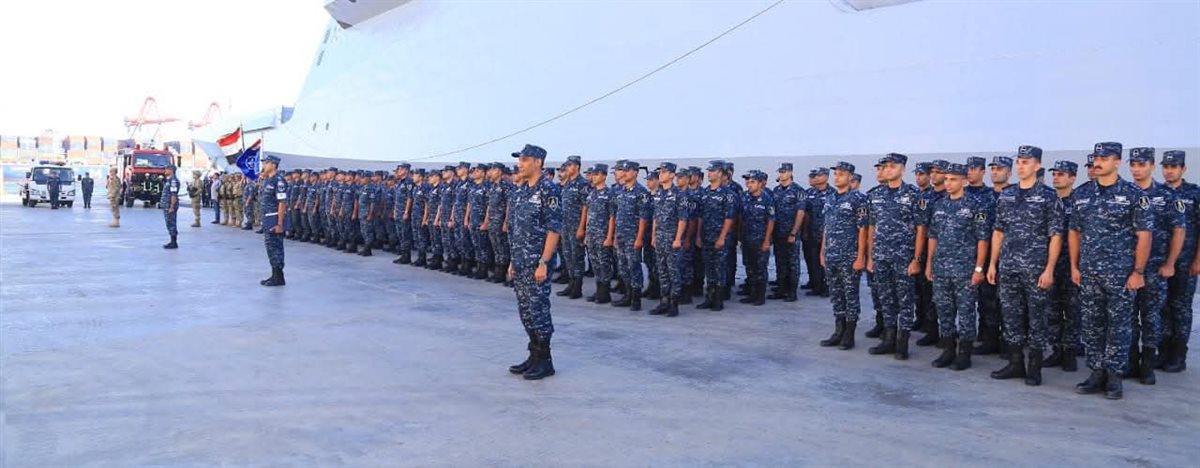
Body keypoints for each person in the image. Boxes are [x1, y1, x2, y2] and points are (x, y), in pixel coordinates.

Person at [1070, 142, 1152, 400]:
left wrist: (1138, 271)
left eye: (1105, 158)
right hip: (1089, 272)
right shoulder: (1082, 194)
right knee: (1092, 324)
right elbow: (1074, 232)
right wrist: (1074, 265)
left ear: (1117, 162)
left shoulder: (1133, 194)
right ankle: (1097, 372)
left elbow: (1144, 235)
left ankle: (1115, 375)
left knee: (1119, 325)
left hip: (1120, 273)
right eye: (1096, 157)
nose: (1098, 162)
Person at [1128, 147, 1185, 385]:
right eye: (1133, 164)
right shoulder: (1125, 193)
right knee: (1128, 317)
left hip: (1155, 268)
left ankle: (1148, 365)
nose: (1136, 169)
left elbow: (1179, 231)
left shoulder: (1167, 195)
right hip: (1127, 268)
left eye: (1141, 164)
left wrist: (1170, 263)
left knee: (1152, 317)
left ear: (1152, 166)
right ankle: (1131, 361)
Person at [505, 144, 562, 381]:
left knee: (538, 310)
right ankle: (533, 355)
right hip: (520, 262)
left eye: (525, 159)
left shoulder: (549, 189)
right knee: (525, 311)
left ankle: (545, 360)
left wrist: (544, 262)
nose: (520, 164)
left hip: (538, 263)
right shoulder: (520, 192)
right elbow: (516, 230)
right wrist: (512, 261)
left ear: (538, 162)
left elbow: (554, 229)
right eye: (519, 159)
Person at [925, 163, 990, 370]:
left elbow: (983, 239)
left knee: (966, 311)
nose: (948, 183)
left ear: (963, 181)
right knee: (944, 310)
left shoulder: (976, 205)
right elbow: (933, 236)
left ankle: (964, 353)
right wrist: (929, 263)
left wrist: (979, 269)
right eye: (946, 179)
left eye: (953, 179)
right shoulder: (939, 205)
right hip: (941, 267)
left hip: (965, 269)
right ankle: (948, 349)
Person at [866, 153, 924, 360]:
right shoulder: (875, 195)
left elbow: (921, 229)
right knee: (886, 298)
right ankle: (888, 339)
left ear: (902, 169)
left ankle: (902, 342)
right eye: (886, 166)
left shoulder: (913, 194)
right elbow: (872, 227)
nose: (888, 169)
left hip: (904, 257)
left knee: (905, 300)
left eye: (893, 166)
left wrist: (916, 259)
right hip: (881, 255)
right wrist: (871, 256)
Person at [819, 162, 868, 350]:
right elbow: (827, 227)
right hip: (831, 254)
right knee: (836, 295)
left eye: (841, 174)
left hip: (849, 256)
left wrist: (860, 257)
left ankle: (849, 334)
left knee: (850, 295)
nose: (837, 177)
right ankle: (838, 331)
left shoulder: (858, 199)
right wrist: (823, 251)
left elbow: (862, 230)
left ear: (850, 177)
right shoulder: (830, 198)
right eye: (836, 174)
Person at [1163, 150, 1197, 372]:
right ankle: (1164, 350)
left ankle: (1178, 354)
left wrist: (1198, 260)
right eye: (1166, 167)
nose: (1169, 171)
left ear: (1183, 169)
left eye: (1173, 167)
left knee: (1181, 308)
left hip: (1186, 262)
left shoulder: (1194, 194)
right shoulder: (1158, 193)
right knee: (1162, 308)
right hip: (1161, 261)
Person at [1046, 161, 1082, 372]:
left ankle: (1070, 352)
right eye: (1054, 174)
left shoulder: (1079, 202)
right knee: (1051, 309)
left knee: (1072, 310)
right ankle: (1056, 349)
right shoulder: (1049, 201)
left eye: (1061, 174)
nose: (1056, 178)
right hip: (1050, 264)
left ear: (1072, 178)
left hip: (1072, 265)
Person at [611, 160, 651, 311]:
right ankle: (627, 294)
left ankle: (635, 298)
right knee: (623, 267)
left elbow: (643, 218)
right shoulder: (621, 191)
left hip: (633, 236)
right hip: (621, 235)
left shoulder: (641, 192)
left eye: (627, 171)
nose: (624, 173)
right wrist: (615, 236)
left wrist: (639, 238)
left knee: (634, 266)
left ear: (635, 172)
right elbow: (617, 215)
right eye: (623, 170)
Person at [650, 162, 690, 316]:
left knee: (674, 272)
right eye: (660, 172)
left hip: (672, 239)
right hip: (660, 238)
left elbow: (682, 219)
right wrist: (654, 236)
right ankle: (664, 302)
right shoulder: (659, 193)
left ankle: (674, 304)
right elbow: (655, 217)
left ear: (672, 174)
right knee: (662, 271)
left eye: (664, 172)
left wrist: (678, 239)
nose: (660, 174)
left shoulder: (679, 194)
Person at [696, 161, 737, 311]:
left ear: (720, 173)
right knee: (709, 268)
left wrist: (722, 237)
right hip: (706, 236)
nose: (709, 173)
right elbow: (700, 216)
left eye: (712, 171)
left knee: (720, 268)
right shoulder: (705, 192)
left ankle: (718, 300)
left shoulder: (728, 194)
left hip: (720, 237)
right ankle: (709, 298)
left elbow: (729, 218)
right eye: (709, 171)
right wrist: (698, 236)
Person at [771, 163, 807, 302]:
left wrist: (793, 232)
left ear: (790, 172)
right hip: (778, 232)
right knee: (780, 261)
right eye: (780, 172)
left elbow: (800, 213)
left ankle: (792, 292)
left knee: (792, 262)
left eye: (784, 171)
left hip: (791, 233)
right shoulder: (776, 190)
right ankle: (781, 289)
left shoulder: (798, 191)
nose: (781, 174)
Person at [738, 170, 775, 306]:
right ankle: (752, 294)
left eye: (752, 182)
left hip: (760, 240)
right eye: (748, 181)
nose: (749, 184)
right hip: (747, 239)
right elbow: (740, 217)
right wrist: (740, 237)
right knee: (749, 267)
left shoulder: (767, 199)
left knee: (760, 268)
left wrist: (767, 240)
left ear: (760, 183)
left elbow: (771, 220)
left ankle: (760, 296)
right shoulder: (744, 197)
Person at [583, 163, 616, 303]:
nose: (593, 177)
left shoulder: (609, 194)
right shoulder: (592, 193)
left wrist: (609, 237)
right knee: (595, 263)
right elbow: (588, 214)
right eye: (593, 174)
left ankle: (605, 293)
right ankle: (599, 290)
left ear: (604, 176)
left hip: (603, 235)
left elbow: (612, 217)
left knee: (604, 263)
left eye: (596, 174)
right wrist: (586, 234)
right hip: (592, 234)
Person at [557, 156, 589, 298]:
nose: (566, 168)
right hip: (565, 226)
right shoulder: (568, 183)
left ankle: (577, 287)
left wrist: (582, 227)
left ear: (576, 167)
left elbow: (585, 207)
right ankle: (571, 283)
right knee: (568, 255)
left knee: (577, 256)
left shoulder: (583, 184)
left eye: (569, 165)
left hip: (576, 226)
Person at [259, 155, 288, 286]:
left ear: (273, 165)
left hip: (275, 219)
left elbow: (282, 203)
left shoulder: (279, 181)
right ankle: (274, 275)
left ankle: (279, 277)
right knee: (270, 247)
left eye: (266, 163)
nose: (264, 165)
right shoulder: (267, 180)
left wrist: (280, 223)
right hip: (267, 218)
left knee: (276, 247)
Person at [161, 165, 181, 249]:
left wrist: (172, 206)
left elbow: (173, 194)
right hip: (167, 205)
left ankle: (174, 242)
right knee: (169, 223)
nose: (165, 171)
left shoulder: (173, 181)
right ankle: (172, 241)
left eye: (167, 169)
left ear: (171, 170)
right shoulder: (169, 180)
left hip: (169, 206)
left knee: (171, 223)